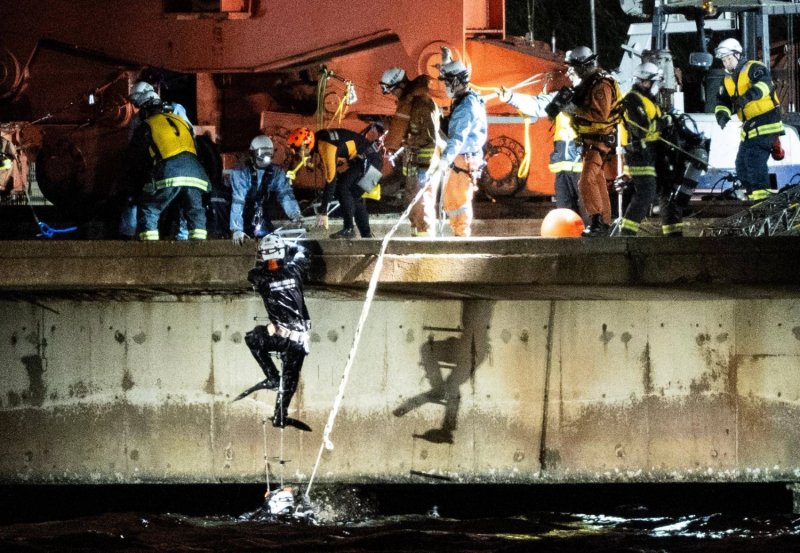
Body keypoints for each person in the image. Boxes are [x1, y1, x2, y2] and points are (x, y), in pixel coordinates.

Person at [234, 234, 311, 429]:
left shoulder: (260, 277)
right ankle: (280, 414)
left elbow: (253, 273)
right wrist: (290, 244)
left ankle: (271, 376)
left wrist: (262, 256)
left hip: (278, 337)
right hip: (298, 340)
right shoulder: (294, 271)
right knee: (290, 380)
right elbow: (304, 252)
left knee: (253, 338)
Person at [547, 46, 621, 237]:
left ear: (584, 65)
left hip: (599, 141)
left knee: (586, 181)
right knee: (597, 181)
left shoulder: (601, 86)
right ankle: (604, 222)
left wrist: (573, 109)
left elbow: (601, 116)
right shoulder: (588, 85)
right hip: (589, 141)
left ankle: (596, 221)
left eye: (573, 66)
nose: (571, 71)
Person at [125, 88, 209, 240]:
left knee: (150, 208)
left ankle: (150, 250)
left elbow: (135, 160)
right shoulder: (181, 121)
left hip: (168, 172)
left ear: (145, 111)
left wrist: (134, 189)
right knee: (195, 211)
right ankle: (199, 250)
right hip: (196, 174)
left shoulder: (146, 126)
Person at [714, 37, 784, 201]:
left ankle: (762, 203)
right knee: (742, 165)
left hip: (766, 120)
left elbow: (765, 85)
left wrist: (748, 97)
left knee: (754, 161)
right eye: (723, 60)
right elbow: (722, 102)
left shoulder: (754, 68)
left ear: (738, 55)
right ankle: (753, 199)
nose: (726, 63)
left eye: (729, 58)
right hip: (749, 126)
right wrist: (722, 115)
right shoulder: (726, 80)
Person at [427, 49, 487, 237]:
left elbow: (457, 139)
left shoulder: (465, 108)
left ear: (455, 82)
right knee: (452, 201)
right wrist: (446, 62)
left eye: (446, 82)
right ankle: (458, 234)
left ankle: (462, 238)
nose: (445, 86)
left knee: (458, 202)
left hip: (464, 160)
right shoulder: (468, 99)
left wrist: (444, 160)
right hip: (463, 159)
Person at [497, 88, 584, 217]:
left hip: (584, 165)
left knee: (589, 211)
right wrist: (511, 97)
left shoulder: (593, 94)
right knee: (565, 213)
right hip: (563, 165)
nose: (571, 73)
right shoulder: (565, 95)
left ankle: (594, 235)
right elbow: (538, 105)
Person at [287, 124, 384, 239]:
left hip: (373, 165)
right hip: (369, 161)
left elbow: (330, 180)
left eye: (298, 150)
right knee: (351, 196)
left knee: (343, 189)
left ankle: (349, 229)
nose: (298, 154)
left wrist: (323, 212)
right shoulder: (320, 138)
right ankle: (366, 235)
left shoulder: (326, 146)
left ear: (307, 145)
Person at [380, 66, 441, 236]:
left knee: (422, 202)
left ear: (400, 85)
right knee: (412, 200)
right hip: (414, 163)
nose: (393, 95)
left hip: (423, 164)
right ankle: (417, 236)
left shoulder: (422, 104)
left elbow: (429, 139)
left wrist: (422, 167)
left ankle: (425, 241)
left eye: (392, 90)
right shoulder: (410, 103)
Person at [617, 62, 673, 236]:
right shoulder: (632, 100)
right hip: (639, 154)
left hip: (652, 153)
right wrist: (664, 122)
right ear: (644, 81)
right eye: (654, 82)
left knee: (666, 191)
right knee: (645, 194)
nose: (657, 86)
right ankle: (627, 234)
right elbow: (641, 129)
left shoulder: (648, 100)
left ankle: (672, 233)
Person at [228, 134, 303, 245]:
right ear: (253, 154)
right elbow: (238, 200)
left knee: (269, 238)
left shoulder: (276, 172)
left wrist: (295, 215)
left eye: (269, 153)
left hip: (260, 211)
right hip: (243, 212)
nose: (265, 157)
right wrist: (236, 228)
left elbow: (285, 193)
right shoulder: (241, 173)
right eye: (261, 153)